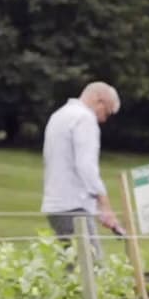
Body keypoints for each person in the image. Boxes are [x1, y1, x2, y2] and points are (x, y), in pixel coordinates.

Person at [41, 81, 123, 254]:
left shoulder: (59, 115)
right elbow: (86, 166)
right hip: (74, 207)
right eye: (106, 112)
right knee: (93, 269)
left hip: (55, 205)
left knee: (72, 268)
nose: (103, 119)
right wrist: (106, 207)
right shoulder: (85, 119)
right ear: (98, 100)